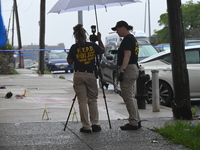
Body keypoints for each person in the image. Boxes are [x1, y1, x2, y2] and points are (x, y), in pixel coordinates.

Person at [67, 24, 104, 133]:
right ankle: (95, 124)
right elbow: (102, 50)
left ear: (76, 36)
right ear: (85, 35)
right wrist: (99, 40)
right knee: (92, 100)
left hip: (79, 74)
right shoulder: (92, 45)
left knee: (82, 101)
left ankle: (86, 126)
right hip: (91, 74)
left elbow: (69, 61)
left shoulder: (74, 47)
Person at [111, 20, 141, 130]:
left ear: (123, 28)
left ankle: (133, 122)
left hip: (128, 69)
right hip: (133, 68)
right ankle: (136, 119)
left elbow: (127, 55)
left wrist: (122, 70)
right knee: (131, 96)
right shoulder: (132, 38)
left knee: (128, 96)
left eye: (117, 29)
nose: (117, 32)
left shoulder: (128, 39)